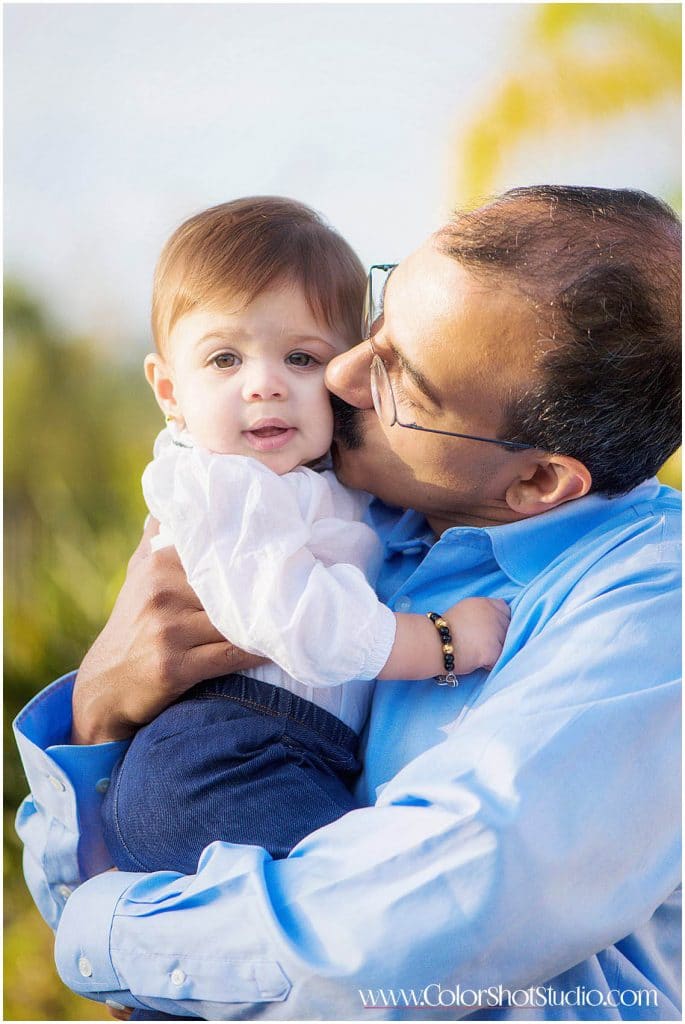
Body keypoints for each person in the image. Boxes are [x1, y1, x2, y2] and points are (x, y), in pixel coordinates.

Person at [14, 185, 681, 1021]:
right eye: (379, 325)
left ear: (538, 480)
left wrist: (103, 934)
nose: (337, 374)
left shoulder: (652, 609)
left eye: (404, 381)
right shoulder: (373, 520)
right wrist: (101, 708)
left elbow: (401, 925)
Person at [102, 197, 508, 875]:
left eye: (299, 357)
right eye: (225, 359)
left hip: (278, 751)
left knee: (365, 912)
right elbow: (300, 620)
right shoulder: (221, 485)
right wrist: (441, 641)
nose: (264, 385)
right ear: (169, 391)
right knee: (384, 893)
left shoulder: (318, 480)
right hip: (221, 762)